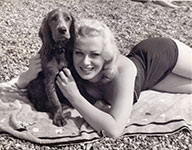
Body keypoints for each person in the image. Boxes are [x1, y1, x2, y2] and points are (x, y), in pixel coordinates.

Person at [17, 19, 192, 138]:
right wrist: (28, 74)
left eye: (95, 54)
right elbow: (24, 83)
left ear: (106, 55)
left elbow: (114, 130)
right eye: (79, 53)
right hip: (152, 80)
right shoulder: (71, 66)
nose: (85, 62)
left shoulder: (122, 71)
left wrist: (74, 97)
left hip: (163, 54)